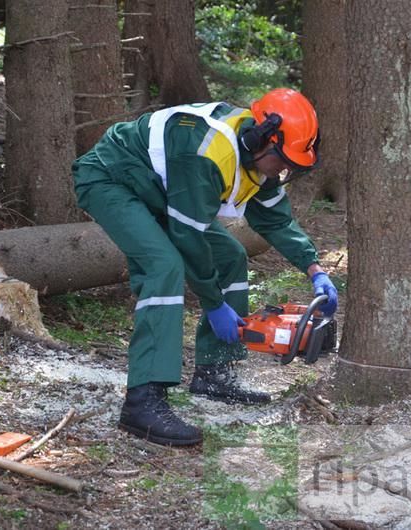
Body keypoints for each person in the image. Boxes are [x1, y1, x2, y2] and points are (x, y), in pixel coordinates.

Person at [72, 88, 338, 446]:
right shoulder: (208, 155)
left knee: (229, 255)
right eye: (282, 159)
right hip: (113, 179)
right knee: (163, 265)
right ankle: (142, 400)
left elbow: (276, 221)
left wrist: (315, 270)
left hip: (162, 189)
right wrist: (214, 304)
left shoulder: (259, 159)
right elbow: (188, 239)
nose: (285, 168)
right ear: (262, 138)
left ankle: (216, 371)